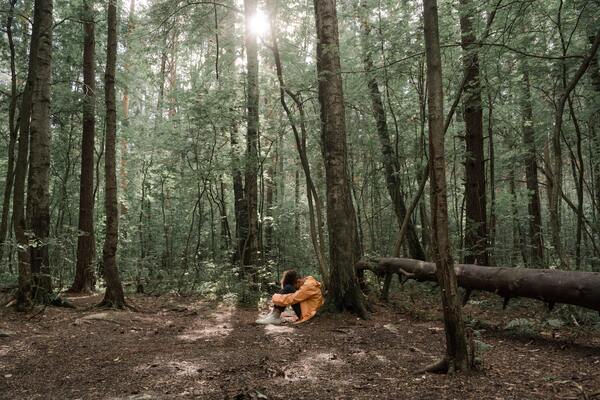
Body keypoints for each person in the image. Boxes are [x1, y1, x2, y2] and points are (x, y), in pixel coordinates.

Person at [255, 270, 324, 325]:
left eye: (295, 286)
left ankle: (275, 316)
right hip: (306, 310)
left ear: (298, 281)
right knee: (288, 288)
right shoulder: (307, 283)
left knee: (288, 288)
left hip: (308, 314)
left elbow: (292, 299)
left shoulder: (309, 286)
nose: (296, 289)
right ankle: (273, 314)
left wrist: (275, 297)